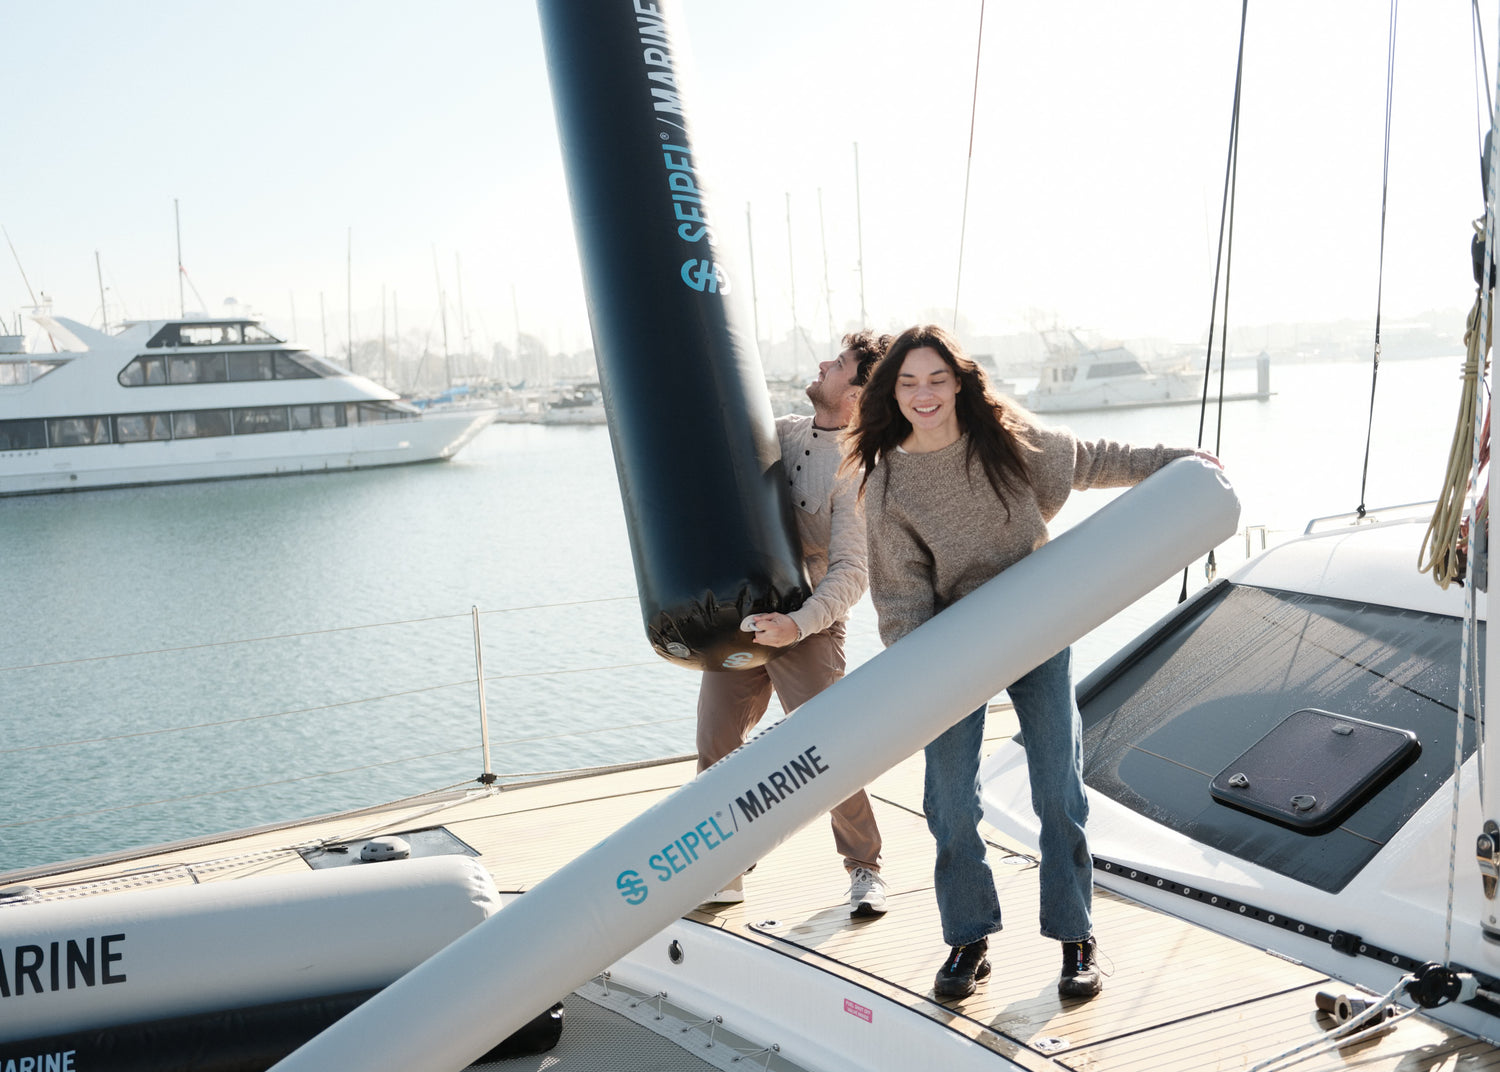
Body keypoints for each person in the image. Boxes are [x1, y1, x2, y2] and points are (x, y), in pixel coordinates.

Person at [845, 324, 1215, 1000]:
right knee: (950, 805)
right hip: (952, 651)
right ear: (892, 392)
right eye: (908, 382)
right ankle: (969, 939)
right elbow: (900, 600)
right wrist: (919, 676)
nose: (923, 393)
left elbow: (1094, 458)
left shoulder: (1008, 440)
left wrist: (1180, 461)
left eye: (935, 378)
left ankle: (1077, 938)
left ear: (958, 382)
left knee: (1057, 792)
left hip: (1039, 629)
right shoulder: (889, 482)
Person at [696, 329, 894, 916]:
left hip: (808, 622)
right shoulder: (781, 434)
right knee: (716, 747)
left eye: (839, 364)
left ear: (857, 394)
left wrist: (799, 624)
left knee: (826, 750)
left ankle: (865, 868)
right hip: (742, 618)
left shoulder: (859, 471)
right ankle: (725, 868)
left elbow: (852, 572)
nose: (823, 364)